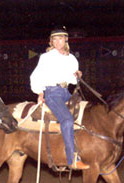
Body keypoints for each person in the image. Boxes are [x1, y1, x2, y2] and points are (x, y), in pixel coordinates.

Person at [30, 26, 89, 170]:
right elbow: (36, 76)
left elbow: (73, 80)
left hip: (66, 92)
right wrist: (40, 93)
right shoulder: (46, 57)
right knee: (67, 120)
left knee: (87, 115)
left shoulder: (72, 59)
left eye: (60, 38)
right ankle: (72, 158)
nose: (57, 42)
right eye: (54, 39)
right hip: (52, 93)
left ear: (66, 39)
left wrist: (77, 76)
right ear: (51, 41)